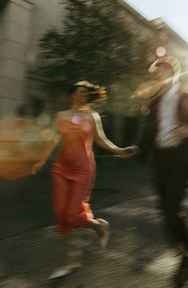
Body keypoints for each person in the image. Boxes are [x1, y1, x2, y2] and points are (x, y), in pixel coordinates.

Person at [33, 81, 135, 278]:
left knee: (72, 214)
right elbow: (53, 139)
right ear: (73, 95)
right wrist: (41, 160)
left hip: (83, 170)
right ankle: (73, 261)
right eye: (81, 92)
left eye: (87, 94)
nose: (84, 96)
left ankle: (98, 225)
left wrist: (118, 150)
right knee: (62, 215)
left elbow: (100, 139)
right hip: (61, 168)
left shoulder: (91, 116)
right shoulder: (61, 116)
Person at [138, 56, 188, 287]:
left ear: (172, 73)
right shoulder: (155, 102)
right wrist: (135, 149)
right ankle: (185, 249)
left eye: (160, 72)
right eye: (155, 73)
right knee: (166, 208)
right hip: (162, 158)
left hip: (182, 157)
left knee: (171, 204)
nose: (156, 77)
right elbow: (150, 132)